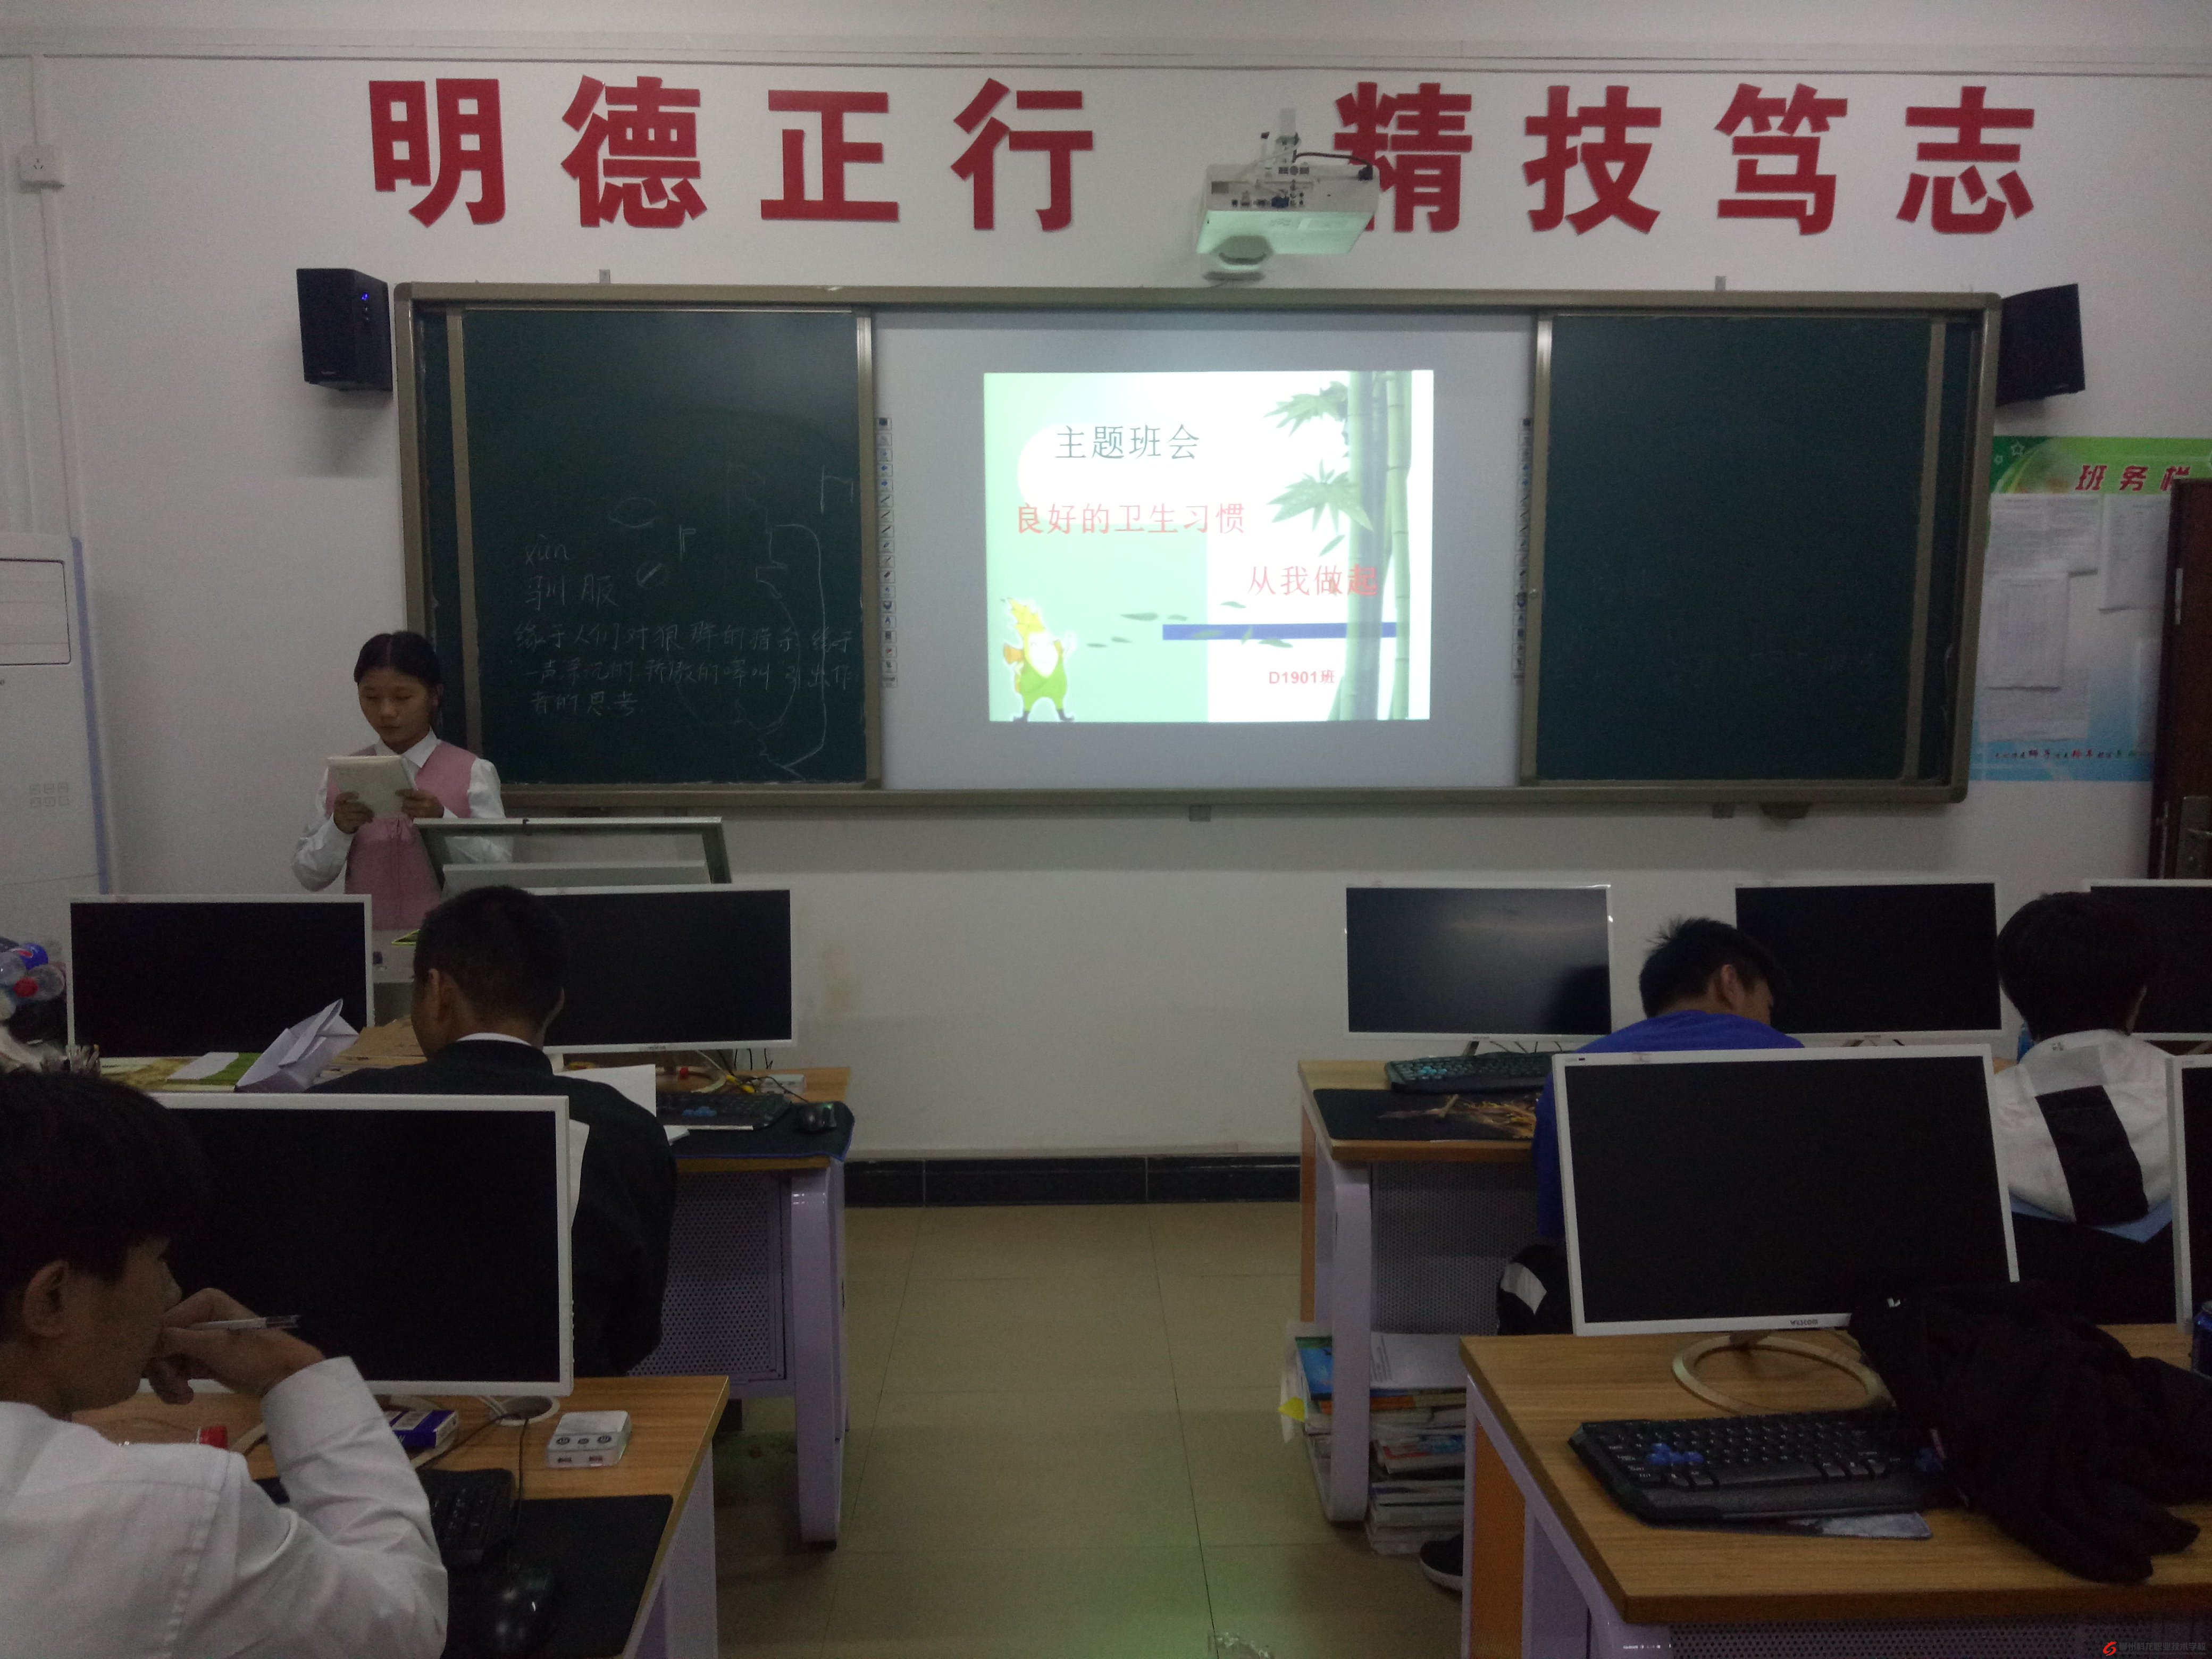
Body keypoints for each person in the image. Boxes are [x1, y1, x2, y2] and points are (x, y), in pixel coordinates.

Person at [0, 1072, 444, 1658]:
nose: (170, 1290)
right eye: (157, 1259)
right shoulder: (164, 1511)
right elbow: (401, 1624)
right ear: (52, 1298)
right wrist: (294, 1377)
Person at [316, 885, 676, 1375]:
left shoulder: (332, 1112)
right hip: (563, 1405)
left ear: (438, 992)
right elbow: (634, 1332)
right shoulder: (627, 1130)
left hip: (366, 1400)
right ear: (556, 1003)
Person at [1990, 891, 2173, 1322]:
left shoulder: (1973, 1118)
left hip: (2031, 1345)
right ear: (2139, 996)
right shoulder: (2194, 1099)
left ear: (2013, 994)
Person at [293, 631, 505, 931]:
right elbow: (308, 875)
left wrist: (442, 821)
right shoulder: (341, 775)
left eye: (403, 697)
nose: (386, 712)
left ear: (434, 696)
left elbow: (499, 871)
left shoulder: (474, 771)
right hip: (368, 943)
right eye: (371, 697)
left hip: (452, 945)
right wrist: (339, 828)